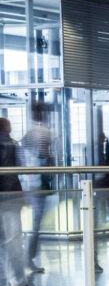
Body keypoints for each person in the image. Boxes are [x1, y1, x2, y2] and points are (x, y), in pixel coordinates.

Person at [21, 104, 54, 273]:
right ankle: (28, 258)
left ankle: (29, 257)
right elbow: (42, 159)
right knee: (35, 224)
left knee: (36, 223)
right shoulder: (41, 133)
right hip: (35, 185)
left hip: (34, 185)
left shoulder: (33, 133)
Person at [0, 118, 27, 286]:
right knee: (11, 240)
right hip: (10, 197)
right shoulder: (13, 145)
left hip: (8, 197)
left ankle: (16, 279)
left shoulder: (11, 145)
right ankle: (16, 279)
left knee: (7, 241)